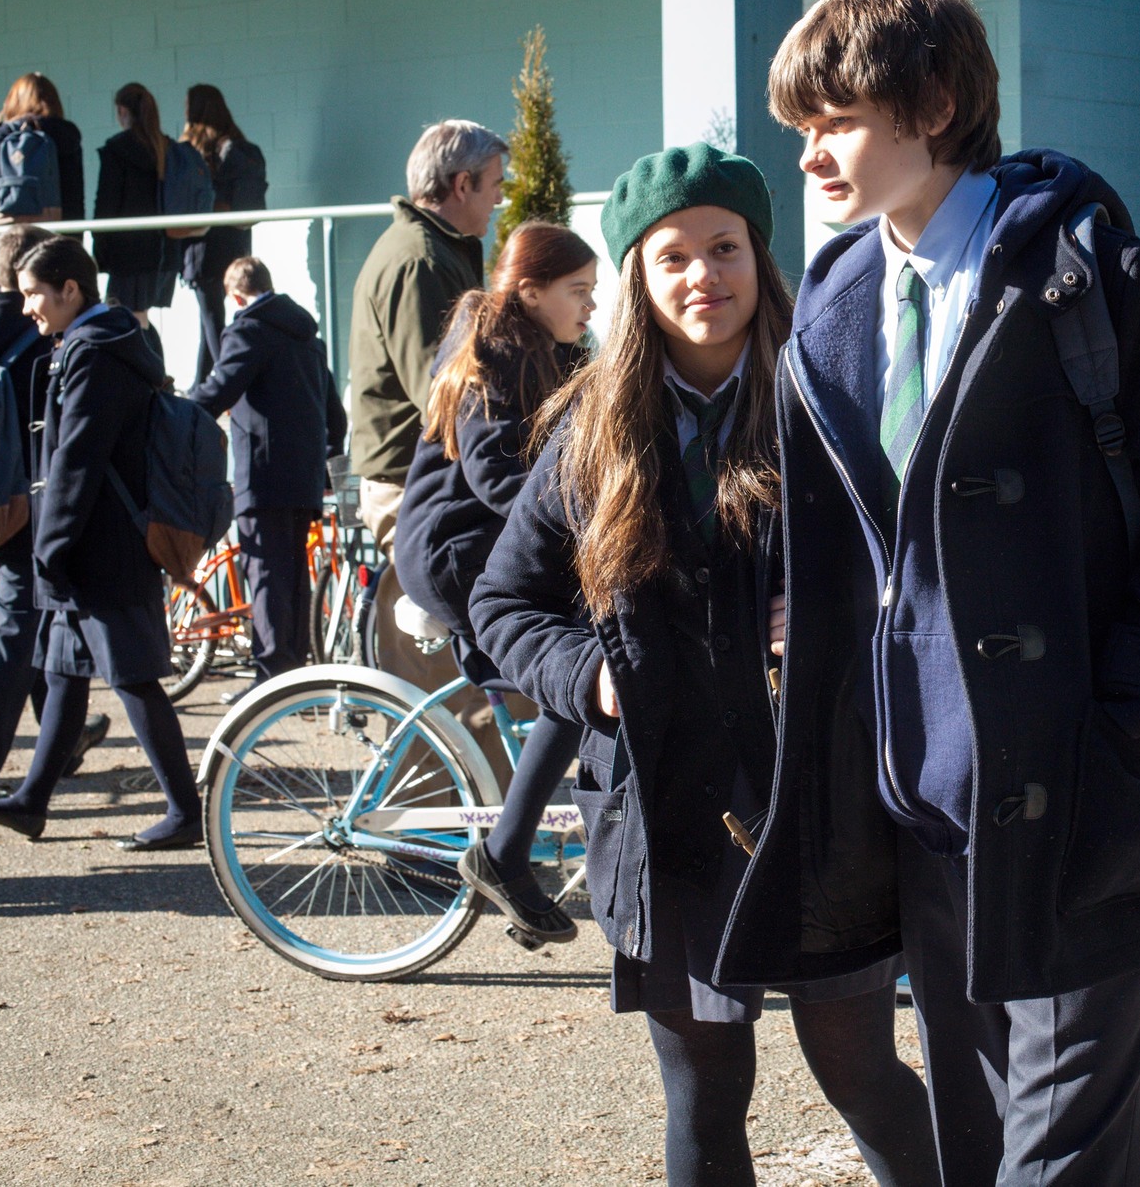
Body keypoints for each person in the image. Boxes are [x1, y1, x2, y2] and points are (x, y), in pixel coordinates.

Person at [747, 0, 1140, 1185]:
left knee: (1064, 1167)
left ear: (934, 106)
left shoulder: (1093, 274)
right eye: (802, 127)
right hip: (926, 815)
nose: (811, 154)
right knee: (976, 1154)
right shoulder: (833, 296)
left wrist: (1133, 716)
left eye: (837, 121)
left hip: (1086, 801)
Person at [471, 145, 938, 1186]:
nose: (702, 276)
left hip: (820, 804)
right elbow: (503, 601)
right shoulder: (594, 426)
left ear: (759, 258)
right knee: (704, 1089)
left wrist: (846, 609)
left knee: (860, 1071)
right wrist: (587, 677)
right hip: (667, 813)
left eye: (724, 247)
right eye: (672, 256)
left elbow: (924, 560)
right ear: (637, 277)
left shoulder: (832, 397)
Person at [0, 237, 202, 850]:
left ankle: (185, 812)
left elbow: (77, 459)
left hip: (101, 547)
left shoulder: (95, 352)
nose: (27, 308)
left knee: (134, 677)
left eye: (34, 294)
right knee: (63, 671)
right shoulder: (99, 341)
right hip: (91, 543)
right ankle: (32, 802)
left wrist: (51, 545)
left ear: (71, 290)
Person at [0, 226, 108, 808]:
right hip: (33, 501)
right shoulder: (42, 331)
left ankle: (65, 738)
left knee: (35, 616)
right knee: (18, 624)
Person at [397, 221, 596, 682]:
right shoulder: (494, 359)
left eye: (592, 290)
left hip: (480, 544)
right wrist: (587, 517)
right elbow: (496, 473)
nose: (592, 304)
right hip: (452, 551)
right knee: (574, 666)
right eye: (578, 290)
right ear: (531, 293)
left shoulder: (553, 356)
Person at [186, 257, 346, 691]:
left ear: (237, 298)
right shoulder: (309, 339)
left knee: (265, 574)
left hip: (263, 474)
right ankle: (295, 675)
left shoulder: (248, 330)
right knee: (293, 576)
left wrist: (174, 413)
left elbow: (218, 392)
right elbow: (335, 415)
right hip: (304, 479)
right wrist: (326, 464)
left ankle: (272, 679)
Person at [347, 119, 508, 551]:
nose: (499, 198)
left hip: (419, 483)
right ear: (462, 185)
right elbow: (442, 394)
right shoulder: (422, 261)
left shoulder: (429, 251)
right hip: (413, 487)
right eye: (496, 184)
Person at [179, 85, 269, 383]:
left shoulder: (195, 151)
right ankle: (201, 385)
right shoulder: (238, 146)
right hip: (234, 242)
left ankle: (229, 383)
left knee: (211, 319)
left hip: (202, 246)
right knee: (211, 319)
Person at [94, 83, 175, 353]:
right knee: (140, 316)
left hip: (126, 248)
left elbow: (106, 203)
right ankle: (154, 369)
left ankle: (149, 370)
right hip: (162, 248)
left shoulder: (117, 149)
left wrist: (99, 248)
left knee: (123, 315)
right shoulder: (166, 147)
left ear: (122, 111)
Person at [0, 73, 86, 229]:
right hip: (61, 224)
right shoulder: (67, 132)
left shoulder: (7, 131)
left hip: (13, 226)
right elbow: (75, 185)